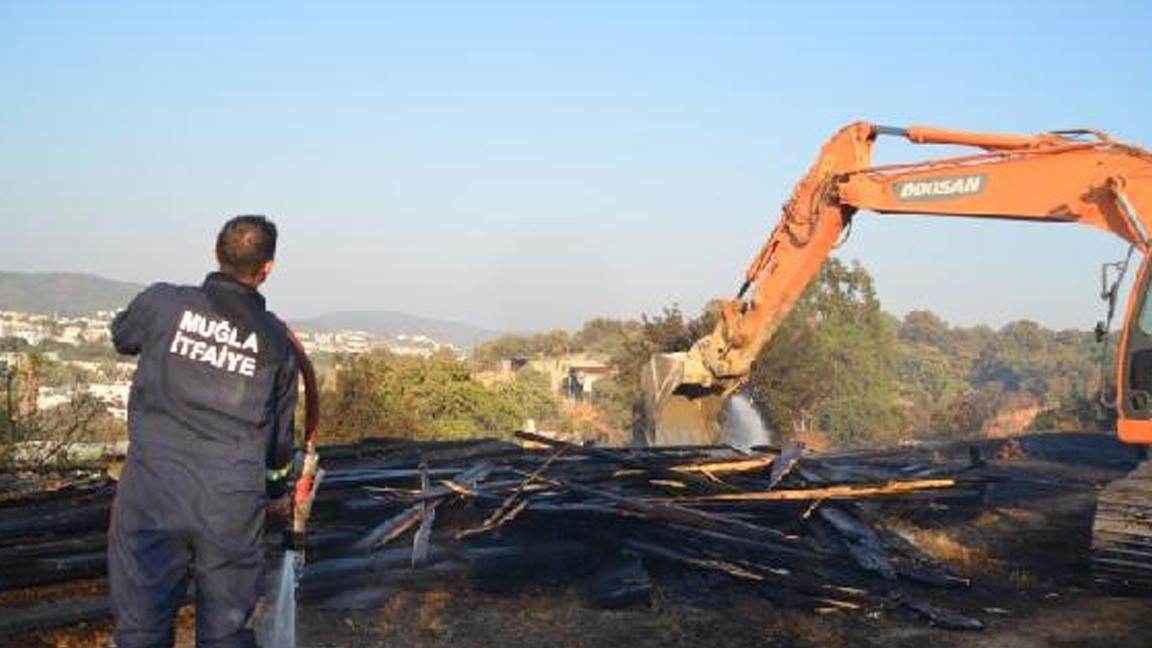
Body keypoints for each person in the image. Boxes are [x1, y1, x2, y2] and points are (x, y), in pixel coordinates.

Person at [108, 215, 298, 648]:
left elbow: (122, 335)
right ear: (267, 268)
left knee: (141, 628)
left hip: (153, 492)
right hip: (230, 505)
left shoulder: (162, 304)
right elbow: (278, 442)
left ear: (215, 253)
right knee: (226, 633)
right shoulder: (276, 342)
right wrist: (275, 492)